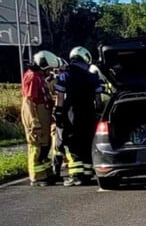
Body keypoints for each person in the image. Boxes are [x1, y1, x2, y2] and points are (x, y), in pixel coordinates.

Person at [53, 46, 103, 186]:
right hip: (89, 113)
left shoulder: (65, 75)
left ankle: (76, 176)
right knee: (87, 142)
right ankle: (87, 173)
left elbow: (60, 96)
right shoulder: (92, 76)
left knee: (73, 143)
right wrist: (98, 111)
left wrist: (58, 112)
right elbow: (98, 99)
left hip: (72, 114)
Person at [20, 51, 58, 186]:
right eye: (48, 69)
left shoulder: (40, 77)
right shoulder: (32, 77)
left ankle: (46, 173)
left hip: (44, 114)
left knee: (45, 145)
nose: (50, 72)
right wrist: (34, 120)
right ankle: (36, 177)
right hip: (37, 114)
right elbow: (29, 100)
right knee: (36, 146)